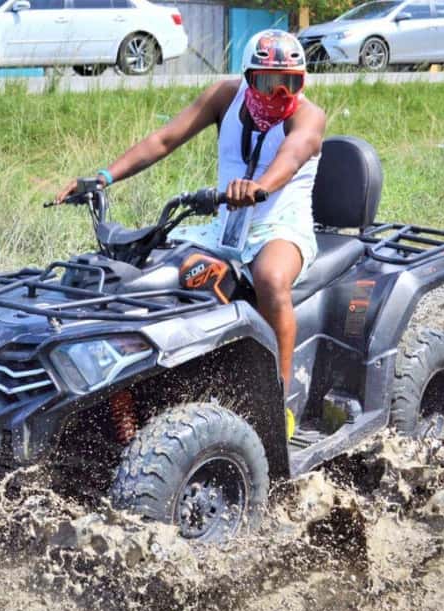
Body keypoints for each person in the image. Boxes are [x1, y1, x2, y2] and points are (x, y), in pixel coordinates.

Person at [56, 30, 326, 431]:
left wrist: (259, 187)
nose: (280, 92)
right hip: (225, 229)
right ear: (248, 77)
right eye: (269, 81)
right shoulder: (225, 97)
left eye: (290, 82)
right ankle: (137, 392)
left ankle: (279, 406)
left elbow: (293, 154)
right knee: (148, 274)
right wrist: (103, 177)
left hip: (280, 228)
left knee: (270, 279)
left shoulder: (308, 115)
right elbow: (164, 139)